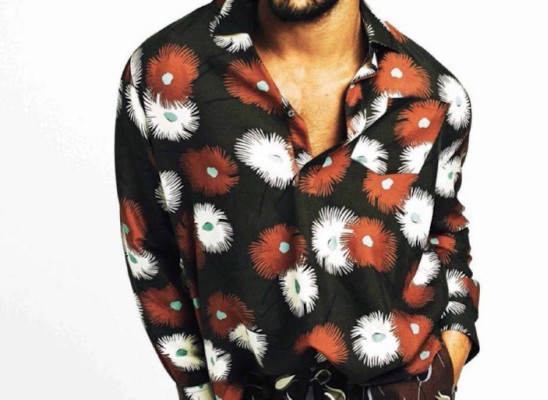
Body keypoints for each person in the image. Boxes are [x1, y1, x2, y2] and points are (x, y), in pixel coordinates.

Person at [113, 0, 481, 399]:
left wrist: (452, 352)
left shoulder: (433, 93)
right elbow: (151, 256)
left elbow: (445, 231)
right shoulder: (165, 77)